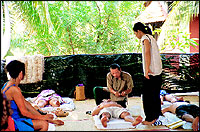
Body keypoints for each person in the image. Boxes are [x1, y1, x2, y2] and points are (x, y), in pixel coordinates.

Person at [1, 60, 64, 131]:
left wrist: (45, 118)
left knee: (43, 121)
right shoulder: (15, 90)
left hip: (9, 120)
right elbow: (24, 112)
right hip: (12, 122)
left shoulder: (6, 84)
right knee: (44, 125)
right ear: (21, 74)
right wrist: (44, 118)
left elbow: (27, 105)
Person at [133, 22, 163, 125]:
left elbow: (147, 53)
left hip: (151, 72)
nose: (136, 36)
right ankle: (155, 116)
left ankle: (150, 118)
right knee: (155, 95)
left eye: (135, 33)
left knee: (147, 97)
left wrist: (146, 71)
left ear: (139, 31)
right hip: (157, 72)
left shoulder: (145, 38)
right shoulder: (151, 37)